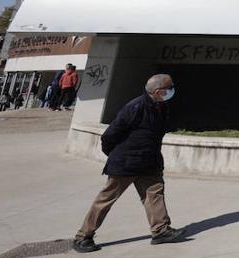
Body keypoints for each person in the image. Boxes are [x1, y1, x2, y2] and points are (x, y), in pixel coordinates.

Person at [71, 74, 187, 253]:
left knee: (155, 195)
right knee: (106, 199)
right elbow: (110, 135)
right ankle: (83, 236)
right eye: (169, 87)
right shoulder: (135, 107)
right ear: (158, 91)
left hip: (149, 162)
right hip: (127, 163)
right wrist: (118, 156)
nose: (172, 90)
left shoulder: (161, 107)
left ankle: (161, 231)